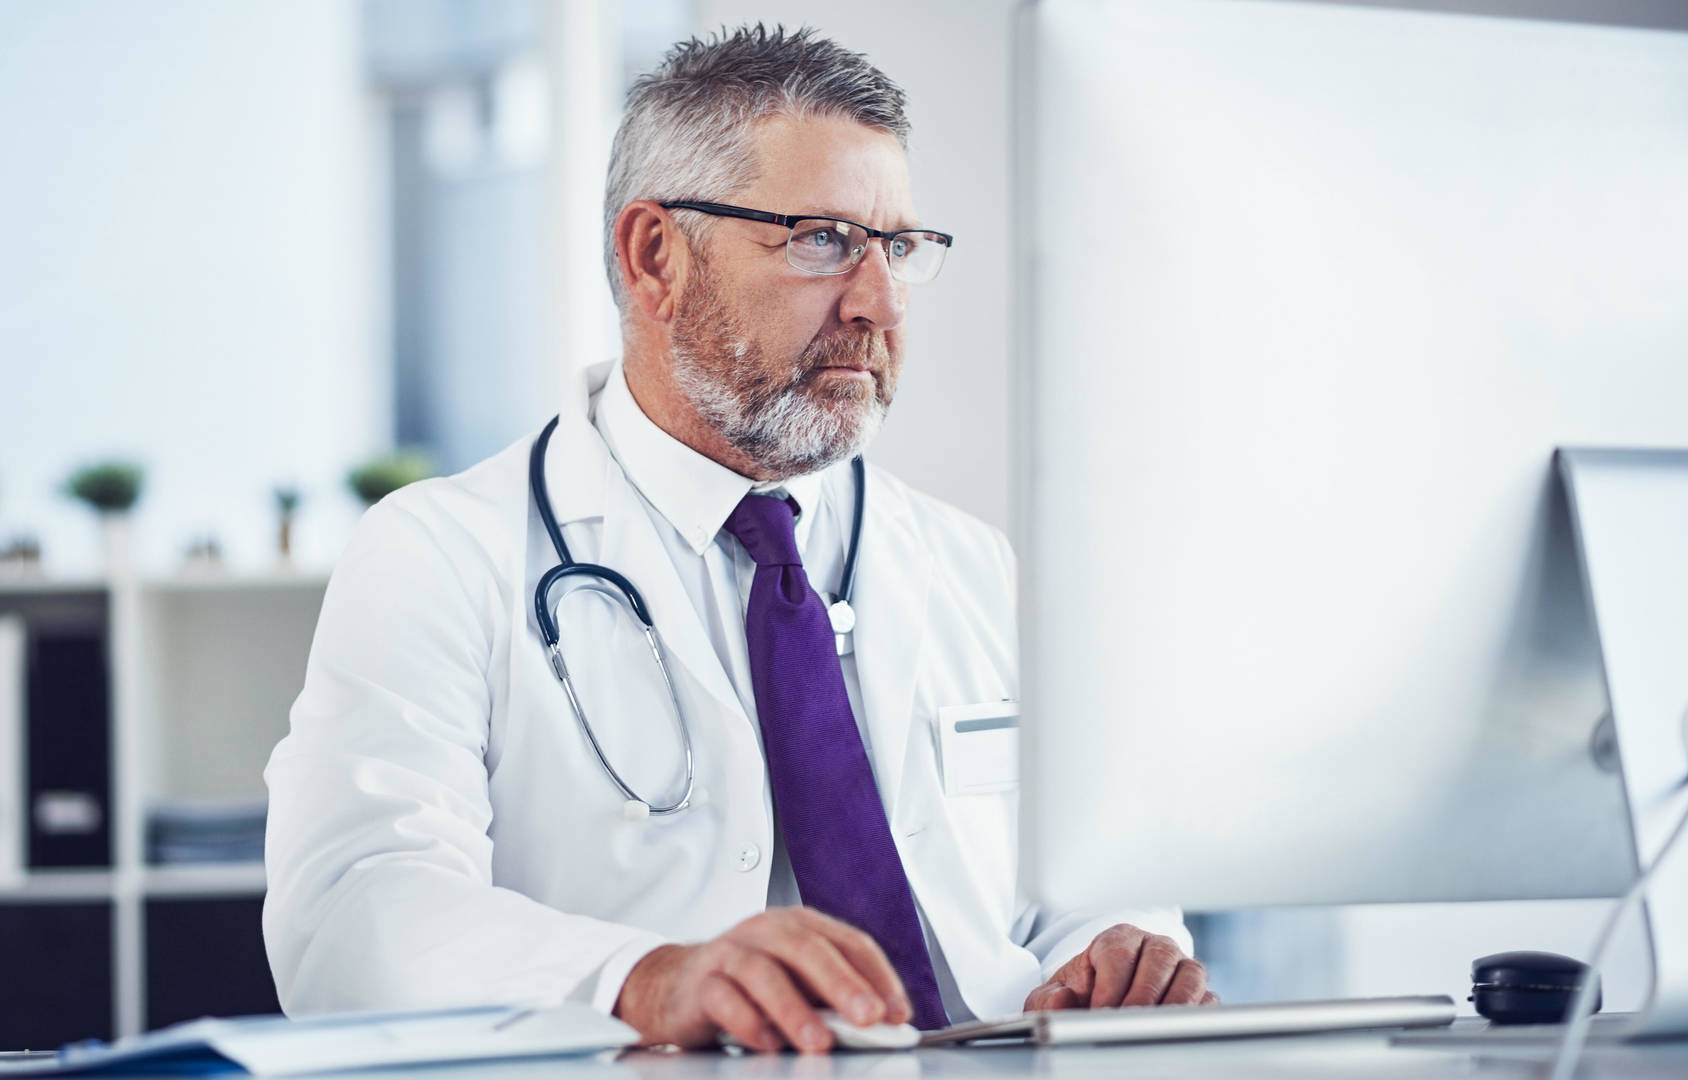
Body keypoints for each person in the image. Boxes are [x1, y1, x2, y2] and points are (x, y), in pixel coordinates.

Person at [263, 25, 1212, 1054]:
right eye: (819, 239)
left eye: (896, 246)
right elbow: (353, 914)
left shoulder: (966, 563)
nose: (879, 302)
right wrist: (641, 978)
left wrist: (1121, 944)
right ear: (654, 256)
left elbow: (1052, 897)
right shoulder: (440, 558)